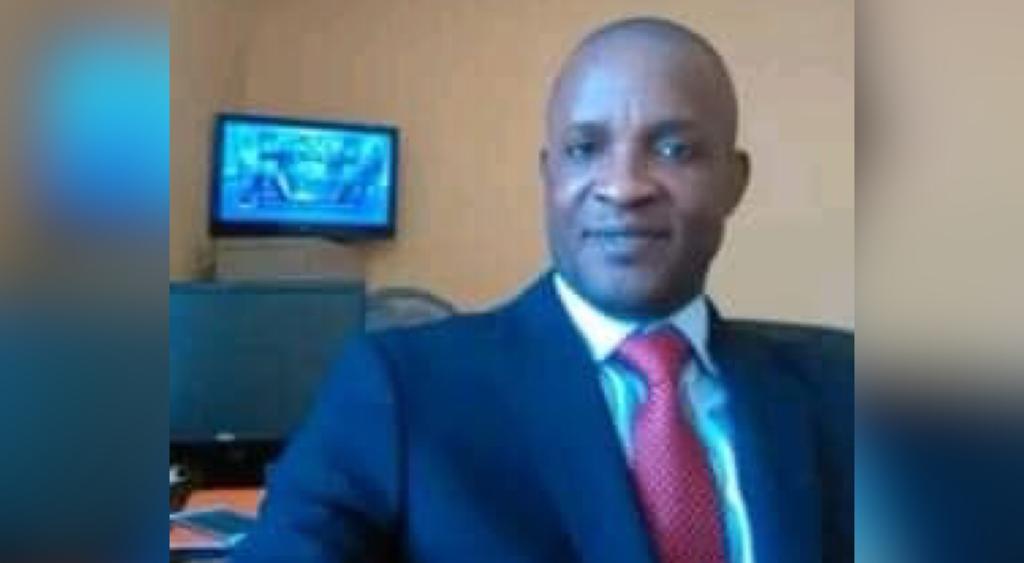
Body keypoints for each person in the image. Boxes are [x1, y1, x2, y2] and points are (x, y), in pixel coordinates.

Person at [232, 16, 852, 563]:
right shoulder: (398, 390)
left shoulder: (842, 391)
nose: (624, 187)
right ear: (548, 175)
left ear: (733, 182)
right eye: (585, 149)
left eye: (673, 149)